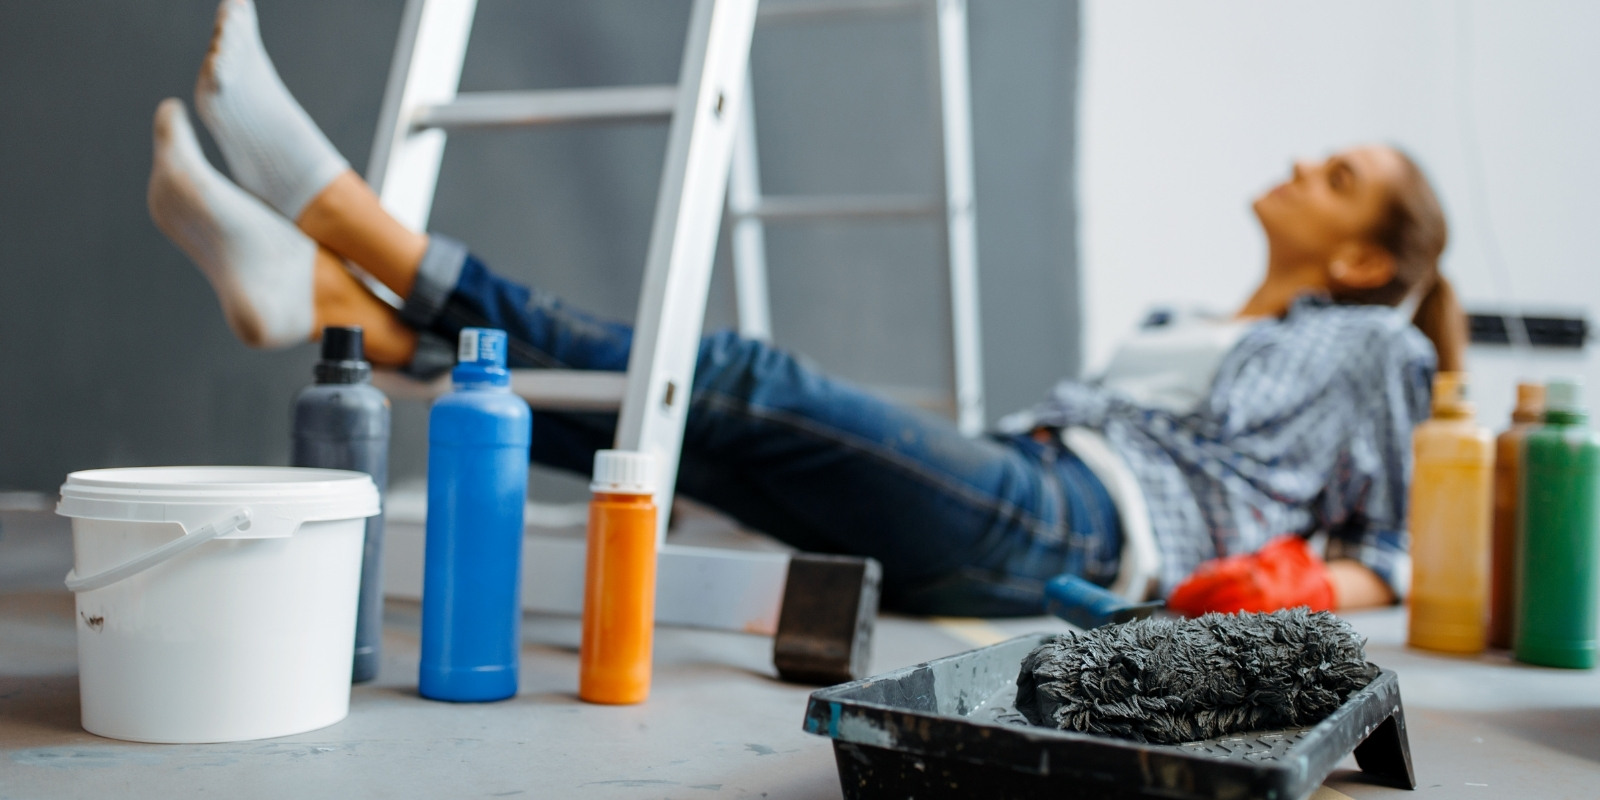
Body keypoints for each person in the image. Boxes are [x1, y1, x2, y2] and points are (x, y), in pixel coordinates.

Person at [148, 0, 1463, 617]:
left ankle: (345, 216)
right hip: (1035, 490)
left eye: (1338, 179)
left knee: (739, 380)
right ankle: (337, 309)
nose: (1302, 167)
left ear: (1362, 262)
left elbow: (1397, 551)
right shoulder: (1196, 317)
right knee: (692, 438)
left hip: (1077, 526)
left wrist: (1288, 591)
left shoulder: (1376, 350)